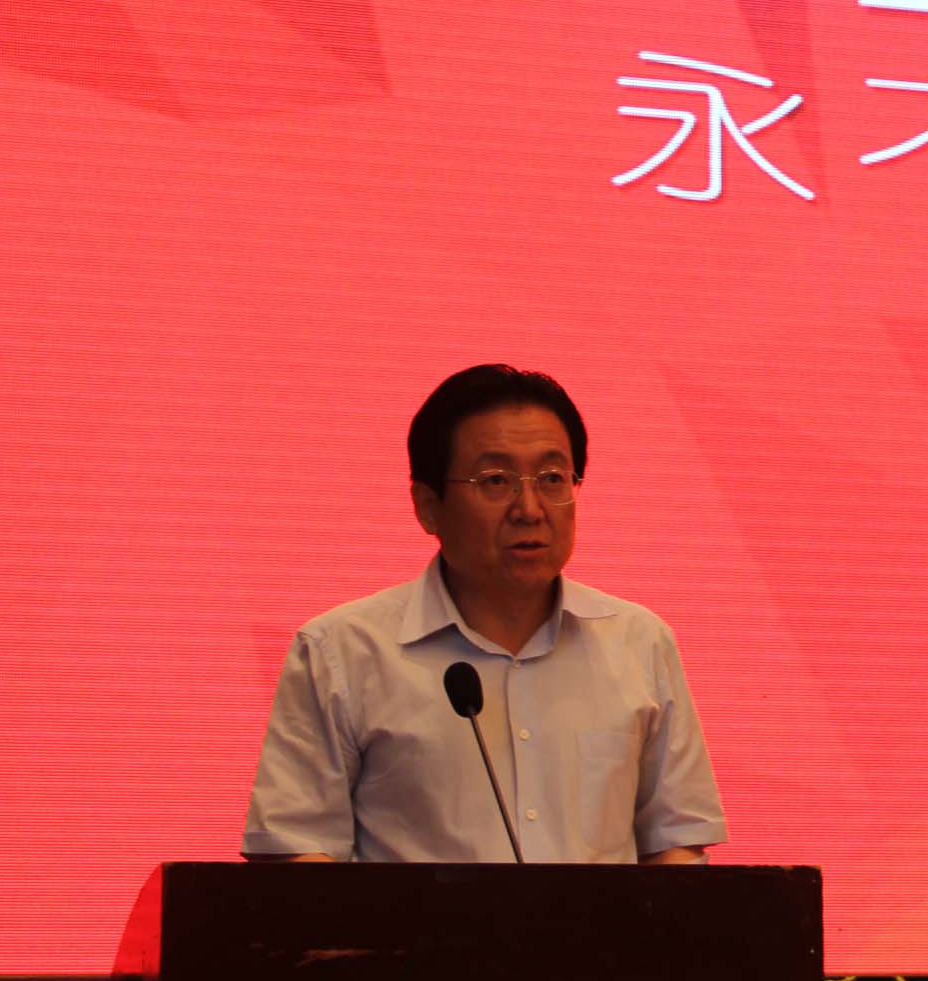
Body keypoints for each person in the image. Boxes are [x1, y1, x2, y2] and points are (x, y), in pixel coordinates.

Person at [242, 364, 726, 864]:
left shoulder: (638, 642)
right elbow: (295, 848)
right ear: (428, 505)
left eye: (552, 479)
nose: (530, 508)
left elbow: (676, 842)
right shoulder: (341, 652)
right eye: (496, 480)